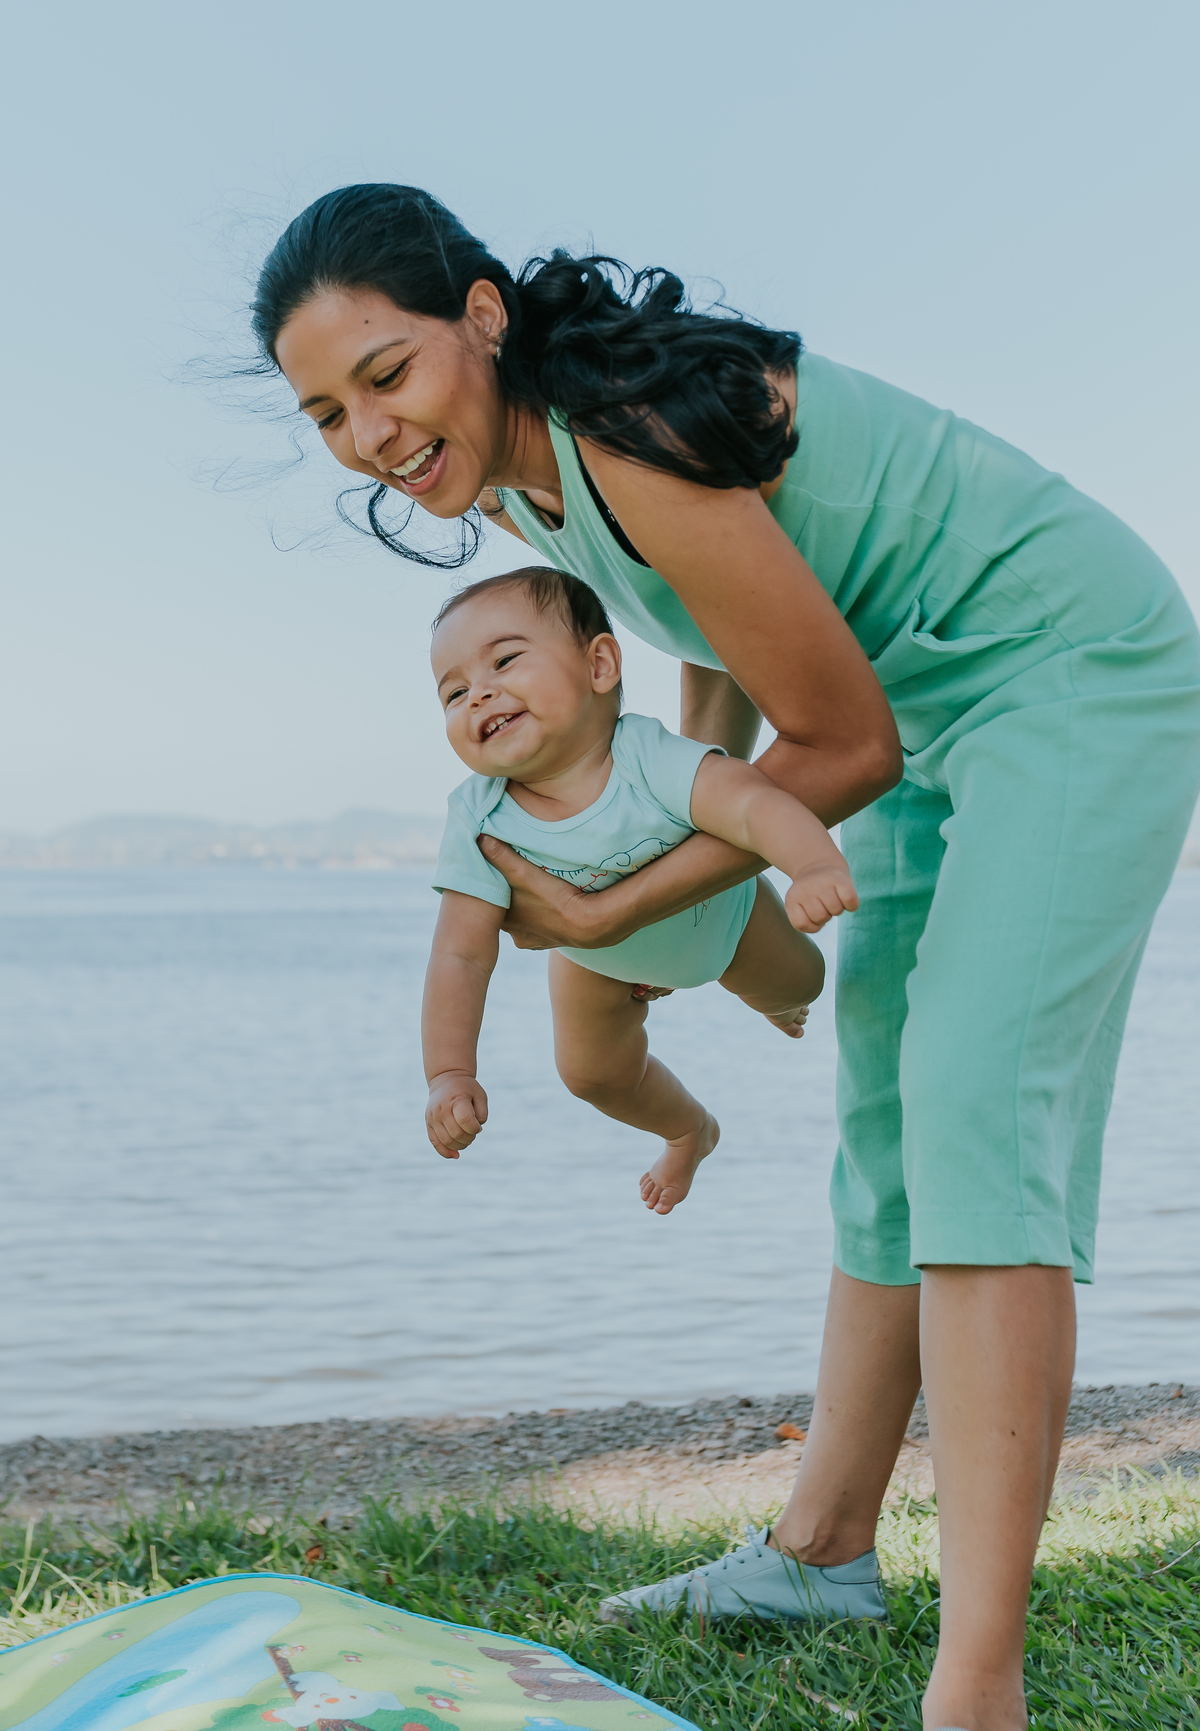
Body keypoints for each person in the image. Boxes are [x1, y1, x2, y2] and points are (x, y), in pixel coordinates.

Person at [251, 182, 1200, 1731]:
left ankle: (980, 1689)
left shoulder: (614, 435)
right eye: (327, 414)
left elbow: (841, 735)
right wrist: (663, 842)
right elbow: (723, 650)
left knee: (970, 1103)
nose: (370, 434)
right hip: (924, 702)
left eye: (387, 374)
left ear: (481, 318)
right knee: (888, 1119)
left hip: (1066, 665)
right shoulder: (510, 481)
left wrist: (629, 904)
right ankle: (821, 1548)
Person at [423, 564, 852, 1214]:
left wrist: (813, 865)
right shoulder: (479, 817)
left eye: (505, 661)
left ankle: (770, 1000)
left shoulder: (644, 755)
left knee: (803, 984)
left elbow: (751, 805)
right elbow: (459, 953)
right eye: (453, 693)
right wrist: (449, 1072)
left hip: (720, 917)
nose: (477, 695)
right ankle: (687, 1129)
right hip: (596, 963)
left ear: (600, 666)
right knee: (590, 1075)